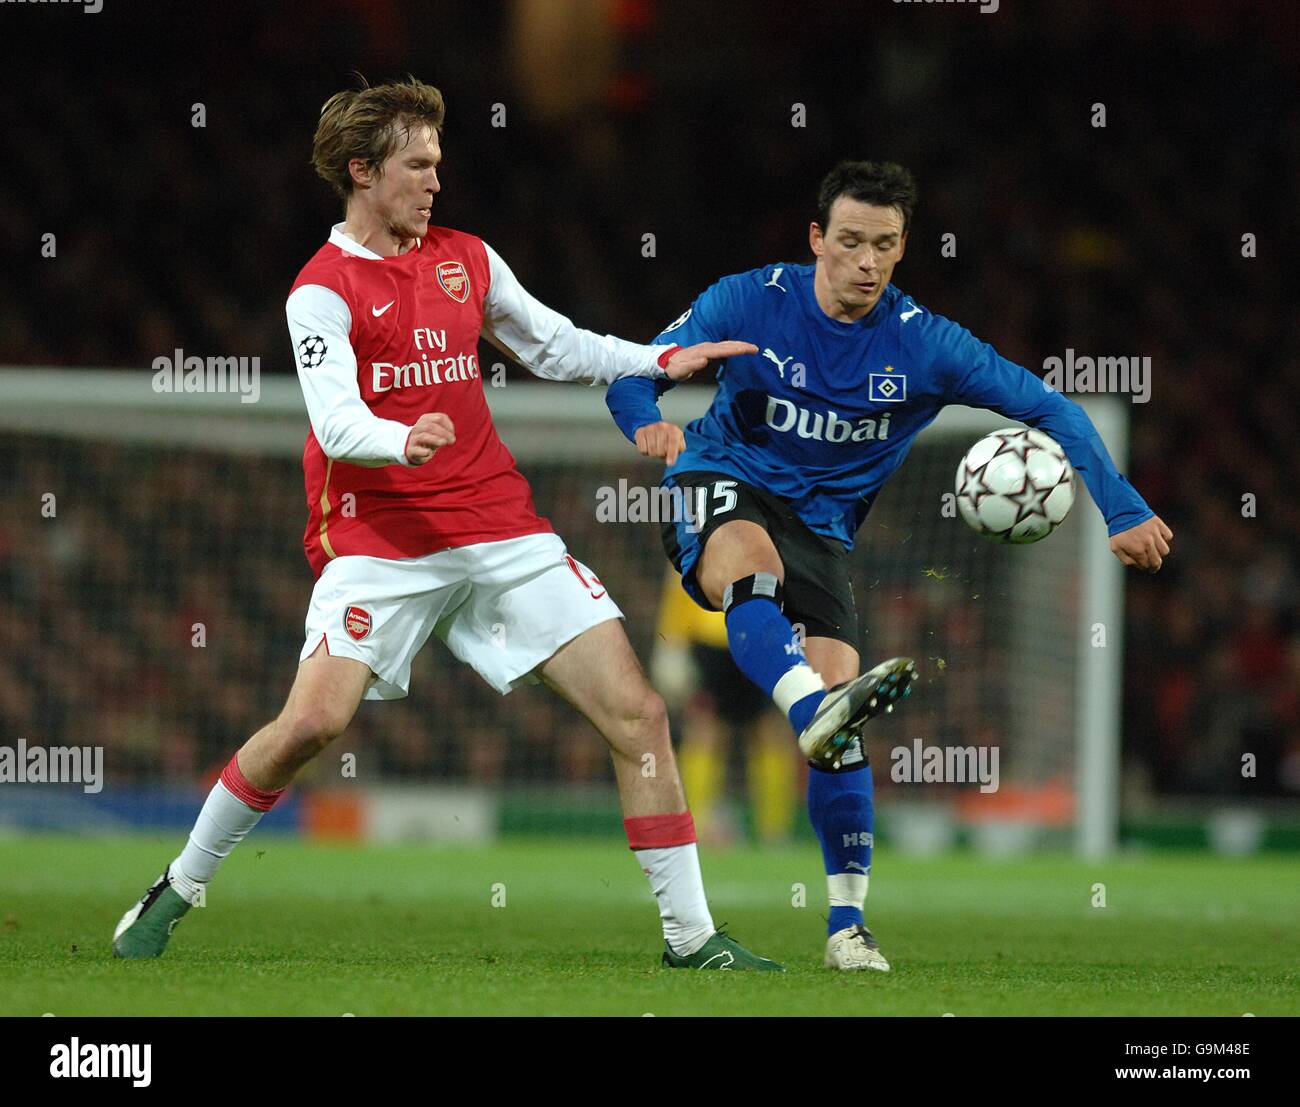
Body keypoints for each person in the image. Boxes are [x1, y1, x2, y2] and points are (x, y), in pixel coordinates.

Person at [113, 76, 780, 972]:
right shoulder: (321, 291)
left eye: (438, 164)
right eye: (417, 166)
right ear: (362, 171)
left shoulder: (467, 256)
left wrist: (663, 357)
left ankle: (692, 937)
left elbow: (555, 343)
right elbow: (337, 422)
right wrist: (402, 438)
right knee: (312, 723)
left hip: (500, 527)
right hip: (377, 542)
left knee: (641, 711)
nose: (435, 182)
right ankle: (179, 885)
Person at [605, 160, 1173, 971]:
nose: (866, 261)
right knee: (754, 576)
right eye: (849, 242)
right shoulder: (749, 299)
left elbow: (1050, 406)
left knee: (845, 734)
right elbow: (635, 370)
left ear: (903, 248)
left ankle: (846, 927)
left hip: (825, 533)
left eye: (884, 245)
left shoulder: (926, 345)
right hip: (721, 479)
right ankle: (809, 710)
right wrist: (646, 426)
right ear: (816, 241)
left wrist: (1120, 504)